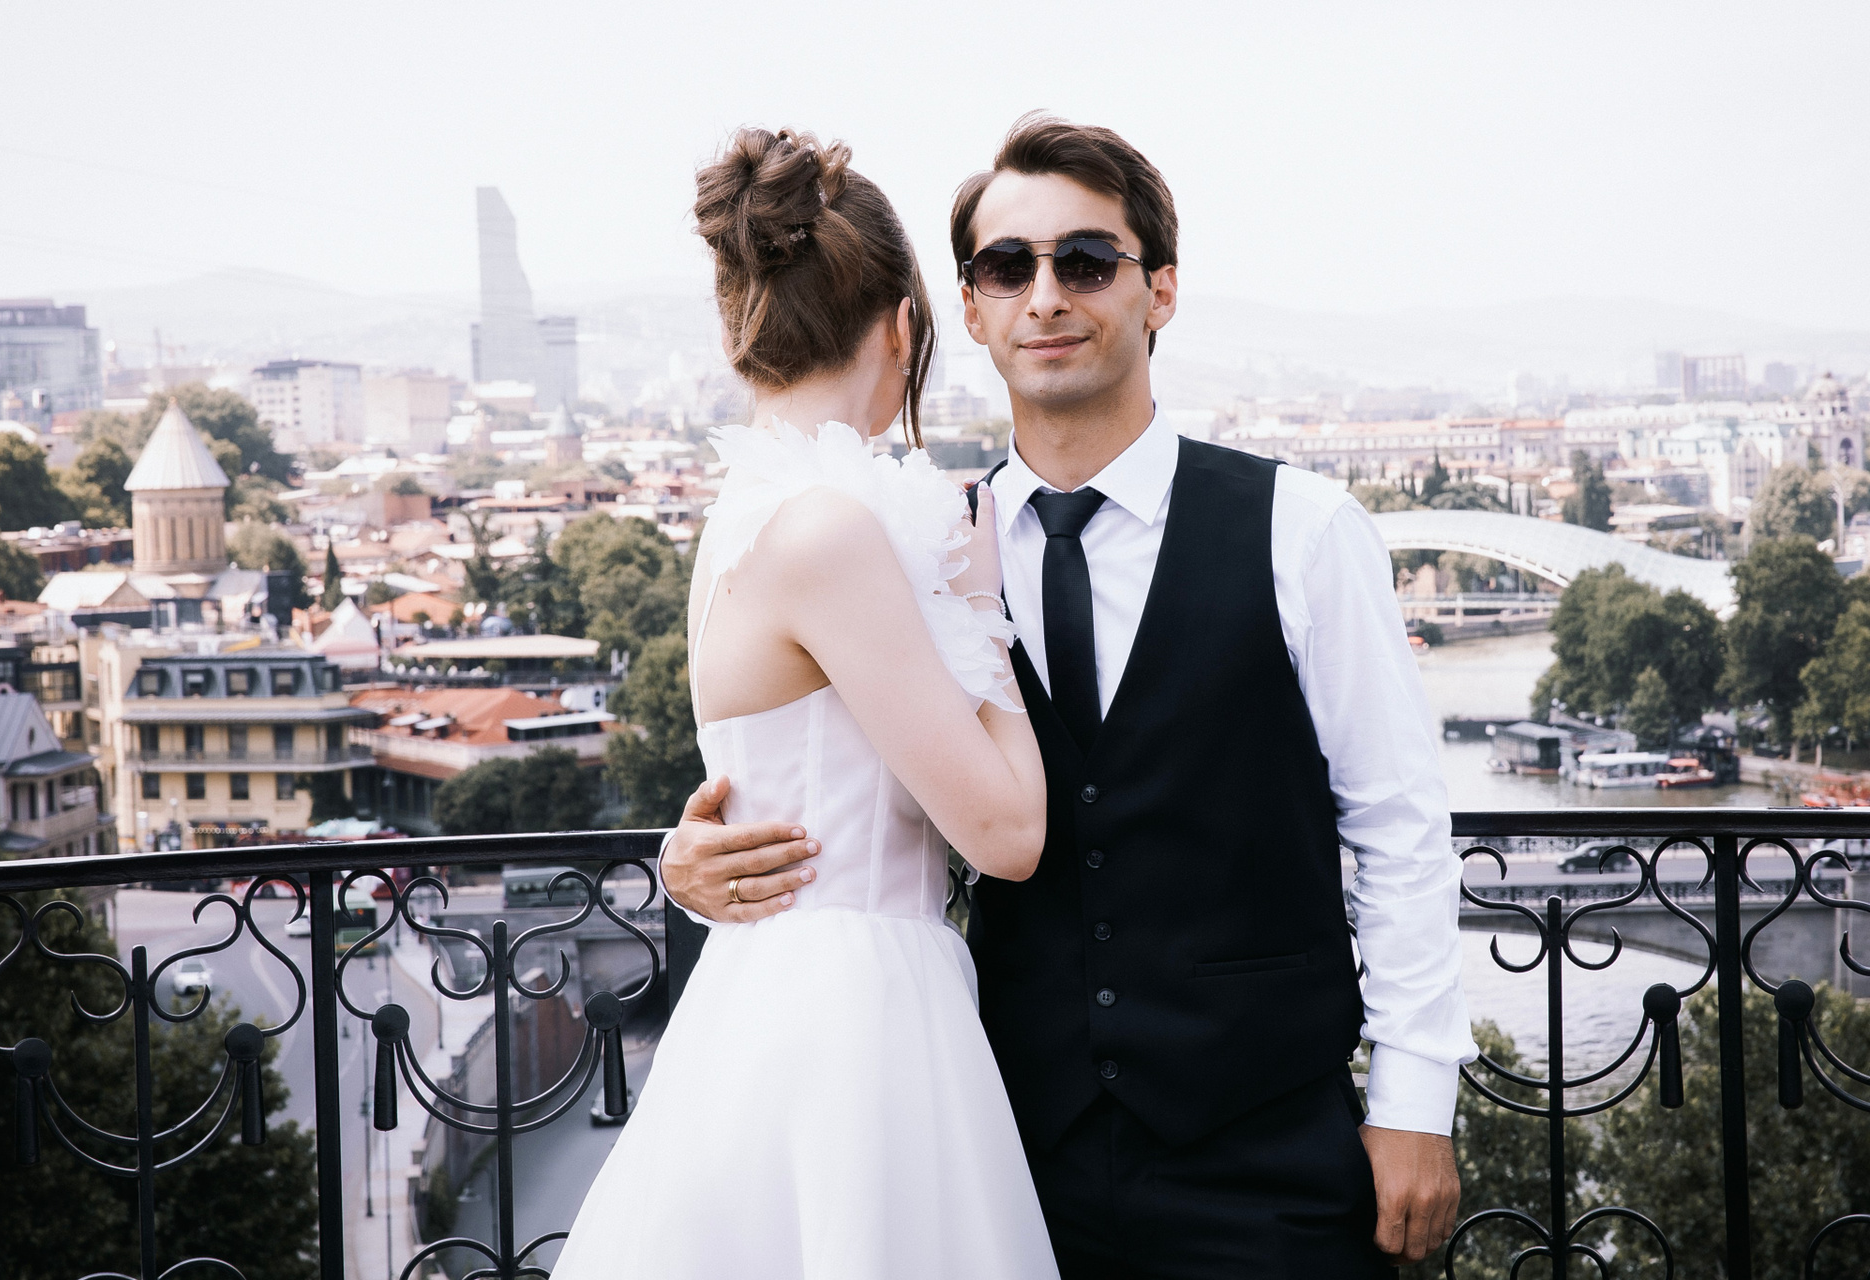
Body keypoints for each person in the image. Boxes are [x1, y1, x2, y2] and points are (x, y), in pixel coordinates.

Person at [661, 114, 1477, 1278]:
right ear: (965, 308)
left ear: (1161, 289)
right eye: (1007, 266)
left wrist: (1415, 1099)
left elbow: (1398, 826)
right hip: (1010, 1156)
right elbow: (825, 763)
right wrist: (693, 859)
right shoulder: (916, 550)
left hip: (1265, 1160)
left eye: (1086, 260)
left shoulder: (1302, 530)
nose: (1045, 295)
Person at [550, 127, 1060, 1279]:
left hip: (781, 992)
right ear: (902, 326)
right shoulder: (828, 530)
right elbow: (1007, 832)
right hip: (854, 1015)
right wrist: (981, 608)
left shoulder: (748, 517)